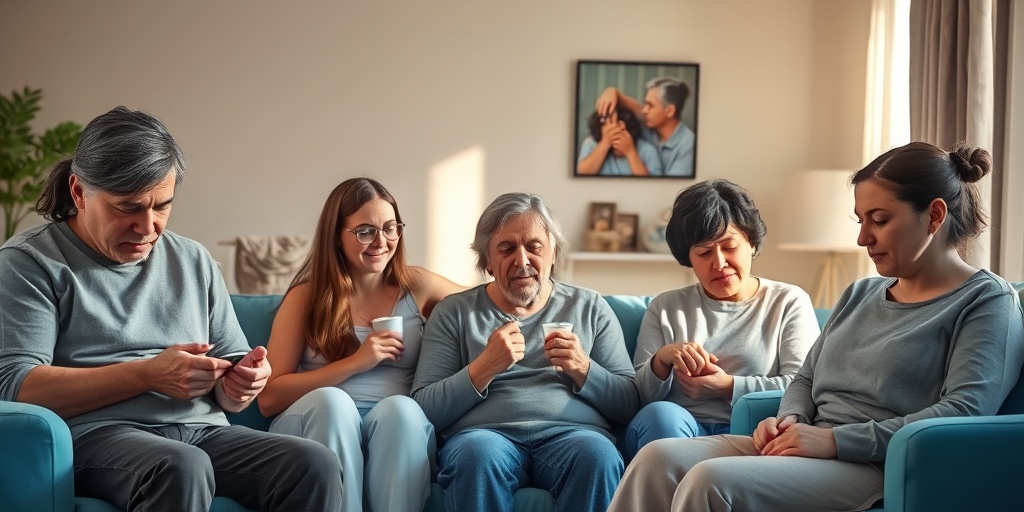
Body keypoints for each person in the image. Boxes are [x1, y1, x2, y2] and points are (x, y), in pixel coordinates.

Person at [608, 141, 1024, 512]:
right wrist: (790, 419)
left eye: (879, 220)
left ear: (934, 215)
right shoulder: (860, 293)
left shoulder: (986, 301)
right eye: (860, 221)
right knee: (657, 459)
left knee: (709, 481)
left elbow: (963, 412)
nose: (863, 238)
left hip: (877, 464)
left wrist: (835, 441)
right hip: (810, 445)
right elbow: (805, 377)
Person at [0, 106, 342, 511]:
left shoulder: (193, 259)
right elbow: (16, 386)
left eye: (162, 206)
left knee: (314, 464)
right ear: (79, 192)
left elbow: (231, 384)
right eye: (128, 207)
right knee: (181, 466)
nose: (148, 227)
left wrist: (241, 384)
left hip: (201, 431)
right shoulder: (29, 262)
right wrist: (147, 374)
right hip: (98, 435)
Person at [412, 192, 640, 512]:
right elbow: (425, 408)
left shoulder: (589, 307)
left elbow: (629, 404)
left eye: (534, 247)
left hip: (574, 435)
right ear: (487, 261)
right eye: (506, 249)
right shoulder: (455, 312)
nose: (522, 261)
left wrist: (583, 368)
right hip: (484, 437)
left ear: (553, 253)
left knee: (598, 456)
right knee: (475, 456)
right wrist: (484, 366)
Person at [258, 177, 465, 512]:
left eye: (390, 228)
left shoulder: (417, 285)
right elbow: (268, 399)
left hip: (393, 428)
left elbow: (484, 303)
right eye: (365, 231)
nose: (381, 242)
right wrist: (356, 362)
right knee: (333, 403)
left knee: (403, 410)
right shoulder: (306, 297)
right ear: (336, 236)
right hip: (317, 421)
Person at [623, 179, 819, 462]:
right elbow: (637, 398)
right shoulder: (666, 307)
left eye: (729, 246)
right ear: (688, 258)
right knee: (660, 415)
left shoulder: (788, 301)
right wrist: (662, 359)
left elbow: (803, 385)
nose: (719, 263)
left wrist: (728, 386)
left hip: (755, 434)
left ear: (751, 243)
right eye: (704, 252)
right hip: (679, 431)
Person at [596, 77, 696, 177]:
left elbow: (670, 186)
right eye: (645, 104)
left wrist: (631, 153)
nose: (644, 110)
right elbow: (625, 102)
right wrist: (613, 92)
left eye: (650, 106)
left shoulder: (688, 145)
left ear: (669, 111)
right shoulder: (650, 123)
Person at [576, 106, 663, 176]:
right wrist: (605, 143)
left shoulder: (648, 151)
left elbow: (652, 187)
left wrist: (630, 153)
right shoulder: (591, 143)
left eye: (620, 134)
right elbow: (582, 174)